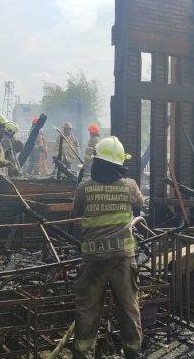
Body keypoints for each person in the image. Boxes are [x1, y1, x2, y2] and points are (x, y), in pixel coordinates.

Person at [72, 136, 144, 359]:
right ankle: (132, 352)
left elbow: (76, 212)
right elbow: (140, 204)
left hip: (93, 259)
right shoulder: (129, 186)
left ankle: (82, 353)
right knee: (128, 307)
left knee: (87, 309)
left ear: (97, 162)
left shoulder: (84, 188)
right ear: (119, 164)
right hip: (122, 258)